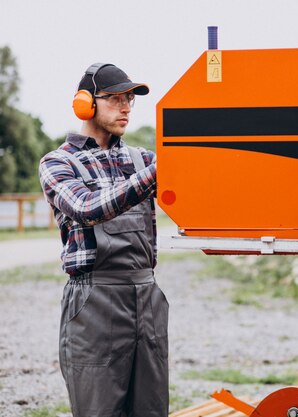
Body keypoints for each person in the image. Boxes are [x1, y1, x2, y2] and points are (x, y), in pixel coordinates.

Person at [39, 63, 168, 416]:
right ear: (85, 104)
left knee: (151, 409)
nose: (126, 107)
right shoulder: (57, 163)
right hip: (95, 300)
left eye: (129, 99)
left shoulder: (143, 159)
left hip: (146, 297)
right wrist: (159, 172)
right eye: (114, 99)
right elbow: (86, 207)